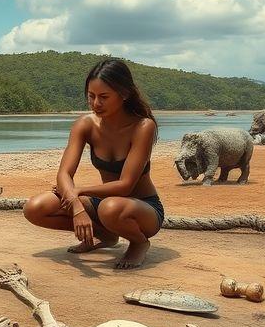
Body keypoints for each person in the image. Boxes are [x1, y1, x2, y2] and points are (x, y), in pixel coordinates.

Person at [23, 59, 165, 269]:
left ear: (124, 94)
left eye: (104, 97)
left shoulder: (143, 126)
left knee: (110, 207)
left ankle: (139, 242)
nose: (96, 103)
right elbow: (63, 174)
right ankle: (106, 235)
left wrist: (77, 192)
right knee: (35, 208)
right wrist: (77, 205)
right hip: (102, 204)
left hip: (142, 208)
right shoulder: (85, 124)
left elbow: (125, 185)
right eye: (91, 96)